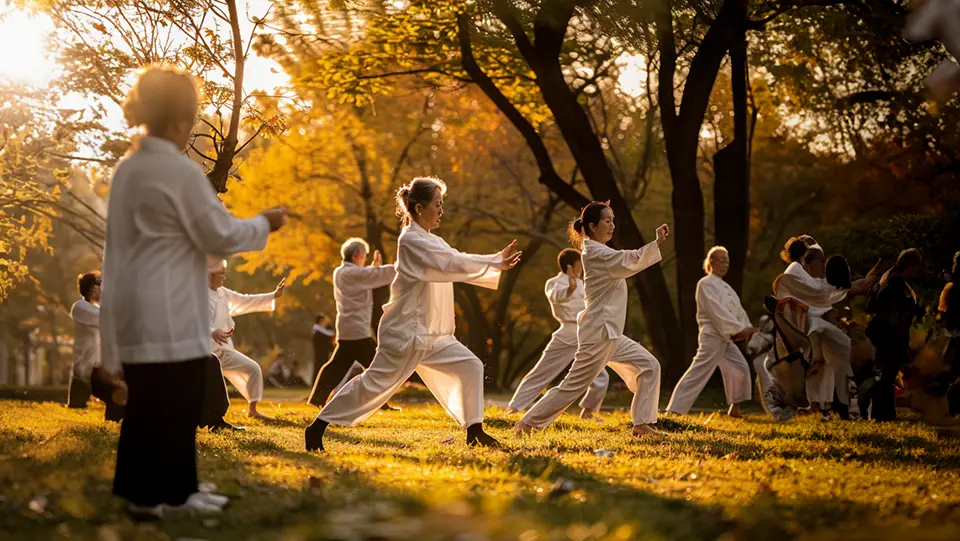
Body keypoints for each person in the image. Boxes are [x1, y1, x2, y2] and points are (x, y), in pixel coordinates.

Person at [98, 64, 287, 519]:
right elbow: (218, 234)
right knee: (178, 404)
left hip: (135, 309)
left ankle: (151, 494)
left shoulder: (127, 170)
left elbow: (113, 252)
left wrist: (109, 341)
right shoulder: (178, 171)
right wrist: (265, 223)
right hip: (172, 308)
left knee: (148, 407)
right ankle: (172, 495)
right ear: (182, 117)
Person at [304, 177, 521, 452]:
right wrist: (494, 261)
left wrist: (494, 260)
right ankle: (317, 428)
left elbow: (454, 257)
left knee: (471, 366)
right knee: (372, 385)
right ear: (419, 208)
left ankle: (475, 432)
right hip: (405, 335)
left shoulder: (431, 239)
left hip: (431, 335)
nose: (441, 210)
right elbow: (451, 263)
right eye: (437, 205)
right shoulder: (410, 240)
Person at [515, 201, 669, 438]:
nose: (612, 225)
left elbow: (625, 260)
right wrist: (655, 243)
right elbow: (628, 260)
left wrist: (653, 246)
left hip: (609, 331)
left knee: (649, 365)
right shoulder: (597, 253)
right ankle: (526, 424)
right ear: (592, 226)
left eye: (613, 220)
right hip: (598, 332)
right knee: (573, 386)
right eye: (607, 220)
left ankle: (641, 424)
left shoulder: (599, 251)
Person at [774, 243, 878, 416]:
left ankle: (838, 404)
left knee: (840, 354)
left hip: (820, 327)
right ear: (807, 262)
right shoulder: (798, 277)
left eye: (823, 260)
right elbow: (816, 293)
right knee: (820, 360)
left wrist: (869, 280)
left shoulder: (818, 283)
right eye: (820, 260)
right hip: (808, 328)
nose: (823, 263)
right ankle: (820, 402)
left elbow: (840, 289)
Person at [507, 248, 609, 418]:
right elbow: (556, 296)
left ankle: (588, 412)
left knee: (600, 374)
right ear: (569, 266)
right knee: (542, 372)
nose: (582, 269)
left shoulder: (583, 284)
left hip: (586, 332)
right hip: (567, 333)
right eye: (579, 265)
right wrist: (569, 289)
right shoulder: (554, 283)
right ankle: (514, 408)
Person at [666, 247, 755, 418]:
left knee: (740, 367)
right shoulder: (705, 284)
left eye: (727, 262)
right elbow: (716, 311)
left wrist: (746, 328)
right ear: (711, 262)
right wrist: (738, 329)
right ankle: (674, 410)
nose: (725, 265)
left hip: (725, 337)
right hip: (712, 336)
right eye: (721, 261)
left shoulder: (727, 288)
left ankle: (734, 408)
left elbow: (738, 311)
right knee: (698, 372)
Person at [307, 238, 397, 408]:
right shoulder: (350, 273)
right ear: (357, 254)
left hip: (350, 330)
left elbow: (367, 276)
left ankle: (317, 400)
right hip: (356, 331)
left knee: (337, 367)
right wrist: (404, 266)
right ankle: (380, 403)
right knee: (378, 366)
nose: (365, 258)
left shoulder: (341, 272)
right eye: (364, 255)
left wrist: (373, 269)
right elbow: (376, 276)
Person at [208, 257, 285, 419]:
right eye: (221, 273)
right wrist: (212, 332)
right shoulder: (198, 296)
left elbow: (245, 300)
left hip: (223, 351)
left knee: (253, 369)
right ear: (210, 274)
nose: (224, 276)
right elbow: (193, 322)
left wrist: (273, 295)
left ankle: (253, 410)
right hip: (205, 354)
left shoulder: (223, 293)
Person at [864, 249, 924, 421]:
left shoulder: (892, 281)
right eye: (916, 267)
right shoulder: (895, 284)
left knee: (888, 375)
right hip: (889, 335)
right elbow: (892, 312)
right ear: (910, 266)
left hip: (889, 333)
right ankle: (880, 412)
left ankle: (885, 412)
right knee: (887, 374)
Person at [67, 271, 126, 422]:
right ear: (92, 288)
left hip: (101, 369)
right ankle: (111, 424)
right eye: (100, 284)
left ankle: (113, 423)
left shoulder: (99, 307)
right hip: (87, 371)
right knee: (118, 393)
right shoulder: (80, 307)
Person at [311, 315, 334, 381]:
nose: (325, 322)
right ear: (320, 321)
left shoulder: (324, 331)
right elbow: (322, 343)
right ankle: (318, 382)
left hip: (324, 353)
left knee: (322, 366)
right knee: (320, 367)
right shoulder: (318, 332)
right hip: (320, 353)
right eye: (324, 321)